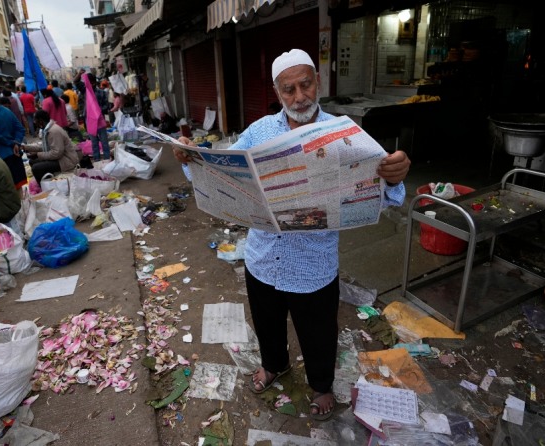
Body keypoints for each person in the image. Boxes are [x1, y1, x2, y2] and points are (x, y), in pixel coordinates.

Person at [172, 49, 411, 421]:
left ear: (318, 80)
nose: (299, 97)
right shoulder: (259, 131)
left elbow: (384, 193)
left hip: (313, 266)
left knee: (318, 334)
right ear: (277, 91)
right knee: (266, 324)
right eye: (289, 90)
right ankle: (274, 365)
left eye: (305, 84)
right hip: (262, 258)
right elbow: (223, 173)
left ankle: (321, 386)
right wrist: (192, 159)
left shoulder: (343, 133)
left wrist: (394, 177)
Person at [21, 110, 81, 184]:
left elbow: (56, 153)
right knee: (32, 161)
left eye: (35, 120)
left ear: (40, 121)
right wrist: (26, 147)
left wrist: (38, 155)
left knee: (36, 168)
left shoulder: (53, 131)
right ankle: (47, 181)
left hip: (67, 160)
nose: (34, 122)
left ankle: (45, 187)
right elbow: (44, 146)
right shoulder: (47, 130)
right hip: (60, 158)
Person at [83, 73, 110, 162]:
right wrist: (80, 74)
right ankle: (97, 160)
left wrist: (97, 111)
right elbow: (76, 82)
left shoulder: (101, 92)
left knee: (104, 142)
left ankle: (107, 160)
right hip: (90, 121)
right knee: (94, 143)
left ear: (94, 83)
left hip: (100, 121)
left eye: (88, 82)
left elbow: (106, 106)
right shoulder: (85, 92)